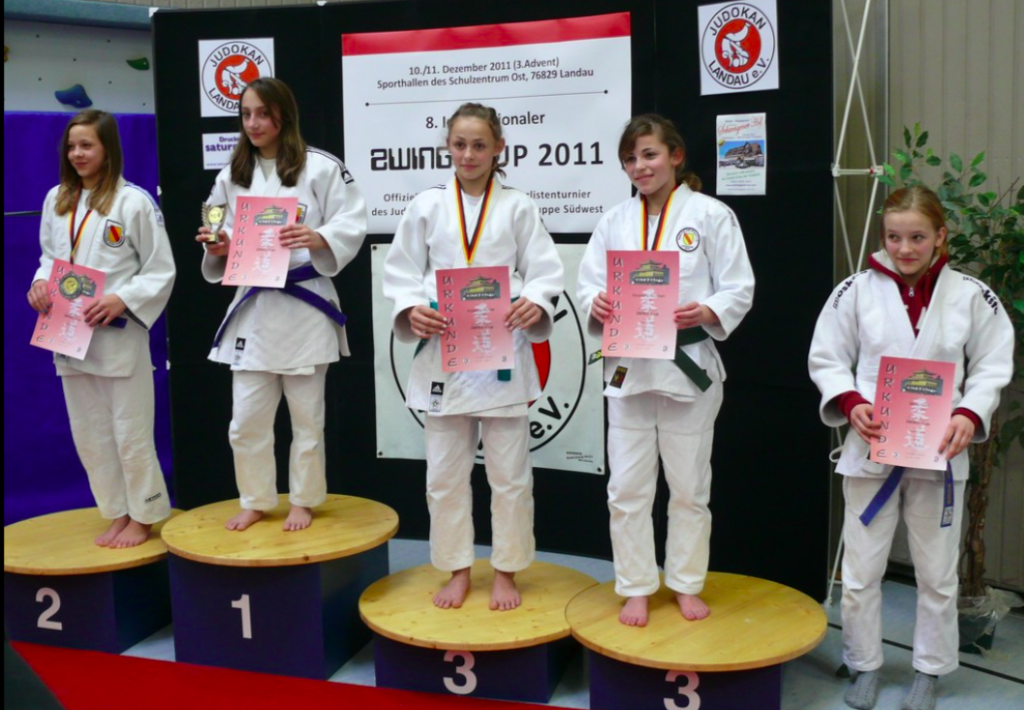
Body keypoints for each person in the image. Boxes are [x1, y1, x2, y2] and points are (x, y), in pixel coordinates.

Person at [808, 185, 1014, 710]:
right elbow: (827, 355)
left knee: (937, 573)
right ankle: (864, 664)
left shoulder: (970, 295)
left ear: (940, 236)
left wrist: (970, 412)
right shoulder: (854, 290)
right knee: (861, 571)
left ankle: (929, 671)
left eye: (917, 237)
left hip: (938, 451)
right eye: (894, 237)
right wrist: (850, 400)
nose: (904, 248)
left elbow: (993, 363)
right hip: (872, 448)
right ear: (882, 237)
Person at [382, 103, 564, 611]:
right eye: (460, 144)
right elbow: (399, 271)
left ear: (499, 148)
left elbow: (545, 269)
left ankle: (506, 571)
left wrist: (536, 300)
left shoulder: (518, 206)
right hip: (444, 352)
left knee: (510, 477)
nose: (468, 154)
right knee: (444, 477)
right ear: (447, 146)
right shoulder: (426, 205)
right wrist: (411, 308)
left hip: (502, 352)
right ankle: (457, 569)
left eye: (479, 145)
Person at [577, 114, 755, 626]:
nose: (640, 166)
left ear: (675, 156)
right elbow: (588, 282)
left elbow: (739, 286)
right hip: (629, 370)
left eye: (649, 154)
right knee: (626, 488)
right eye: (630, 159)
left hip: (688, 368)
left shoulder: (711, 215)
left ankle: (685, 582)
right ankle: (635, 585)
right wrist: (596, 303)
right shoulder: (614, 221)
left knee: (689, 487)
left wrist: (707, 310)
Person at [197, 77, 367, 532]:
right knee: (245, 420)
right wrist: (217, 244)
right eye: (246, 114)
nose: (253, 123)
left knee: (307, 419)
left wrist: (318, 237)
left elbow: (353, 220)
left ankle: (304, 500)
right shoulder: (232, 174)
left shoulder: (321, 167)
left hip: (304, 306)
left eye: (263, 114)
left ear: (283, 116)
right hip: (255, 307)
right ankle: (255, 498)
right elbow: (216, 223)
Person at [27, 109, 176, 548]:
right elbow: (49, 258)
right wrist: (40, 283)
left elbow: (161, 269)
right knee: (90, 434)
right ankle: (117, 511)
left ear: (108, 149)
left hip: (117, 333)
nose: (77, 153)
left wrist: (122, 298)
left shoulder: (133, 202)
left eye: (87, 145)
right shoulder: (57, 199)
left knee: (130, 432)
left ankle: (144, 514)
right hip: (68, 332)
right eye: (71, 146)